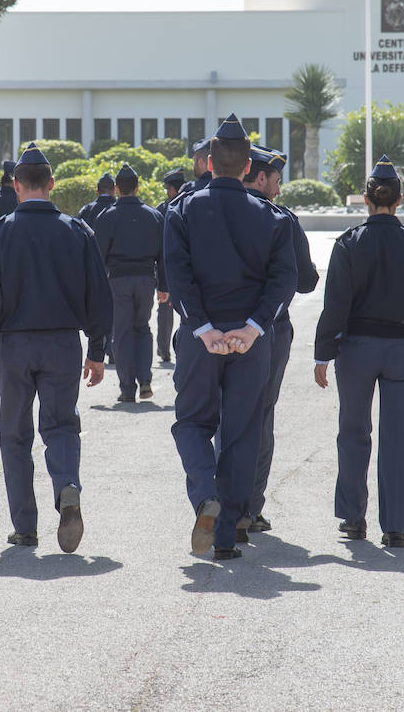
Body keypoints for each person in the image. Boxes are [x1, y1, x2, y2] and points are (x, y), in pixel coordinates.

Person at [0, 143, 113, 552]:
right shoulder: (77, 231)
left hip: (13, 348)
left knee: (15, 436)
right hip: (63, 343)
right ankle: (67, 487)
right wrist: (97, 350)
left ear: (16, 185)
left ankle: (25, 527)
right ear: (51, 184)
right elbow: (99, 298)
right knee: (62, 425)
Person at [164, 114, 297, 560]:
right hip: (249, 341)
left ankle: (206, 496)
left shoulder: (183, 209)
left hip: (202, 339)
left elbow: (176, 278)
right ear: (246, 168)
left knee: (191, 424)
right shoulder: (272, 216)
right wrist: (254, 327)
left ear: (207, 164)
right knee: (241, 434)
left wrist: (203, 329)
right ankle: (225, 536)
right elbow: (284, 280)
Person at [313, 154, 404, 548]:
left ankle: (354, 519)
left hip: (356, 349)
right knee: (399, 438)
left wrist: (323, 353)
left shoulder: (349, 243)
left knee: (354, 432)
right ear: (400, 199)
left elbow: (335, 304)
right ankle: (395, 527)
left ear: (366, 199)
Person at [240, 144, 319, 536]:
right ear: (259, 177)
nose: (279, 188)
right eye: (275, 179)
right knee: (261, 415)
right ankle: (250, 507)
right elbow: (305, 280)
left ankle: (221, 499)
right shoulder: (281, 219)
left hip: (218, 329)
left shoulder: (209, 211)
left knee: (224, 414)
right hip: (269, 330)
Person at [93, 163, 163, 402]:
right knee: (142, 328)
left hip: (118, 280)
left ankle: (126, 388)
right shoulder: (154, 215)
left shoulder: (107, 216)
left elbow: (97, 256)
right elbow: (163, 254)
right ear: (137, 187)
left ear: (116, 188)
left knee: (121, 333)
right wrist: (164, 286)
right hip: (146, 278)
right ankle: (145, 380)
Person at [154, 168, 185, 363]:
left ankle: (164, 348)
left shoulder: (162, 209)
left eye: (168, 189)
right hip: (187, 268)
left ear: (173, 189)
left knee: (165, 310)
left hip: (166, 266)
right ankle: (182, 348)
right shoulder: (190, 204)